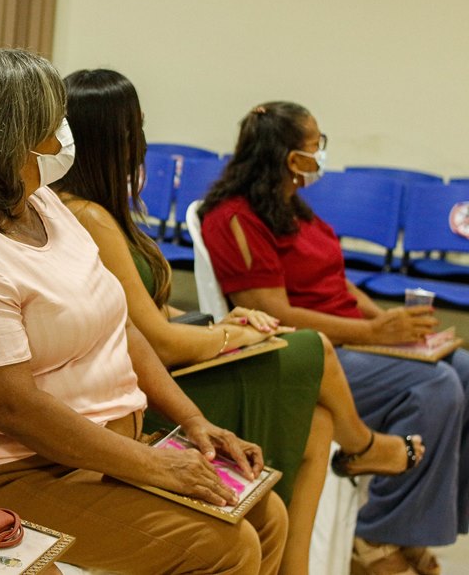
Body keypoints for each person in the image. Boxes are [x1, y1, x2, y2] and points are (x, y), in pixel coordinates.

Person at [0, 48, 288, 574]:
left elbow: (117, 324)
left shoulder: (43, 204)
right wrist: (151, 466)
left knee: (266, 514)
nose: (64, 135)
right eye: (53, 123)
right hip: (22, 472)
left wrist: (193, 421)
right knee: (221, 546)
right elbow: (14, 408)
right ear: (9, 138)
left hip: (102, 449)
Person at [55, 69, 426, 575]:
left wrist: (224, 321)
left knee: (319, 424)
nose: (143, 142)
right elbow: (156, 342)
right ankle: (364, 447)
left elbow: (150, 310)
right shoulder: (91, 217)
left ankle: (296, 566)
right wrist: (233, 334)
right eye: (135, 128)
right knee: (313, 347)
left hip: (164, 365)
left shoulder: (104, 210)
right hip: (150, 387)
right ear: (109, 137)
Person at [200, 101, 469, 575]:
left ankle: (416, 527)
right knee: (435, 386)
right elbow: (272, 312)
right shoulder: (234, 219)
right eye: (315, 145)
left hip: (350, 340)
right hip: (308, 352)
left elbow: (336, 281)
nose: (321, 155)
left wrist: (392, 326)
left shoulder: (291, 208)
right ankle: (378, 534)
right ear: (291, 158)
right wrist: (372, 332)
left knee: (465, 369)